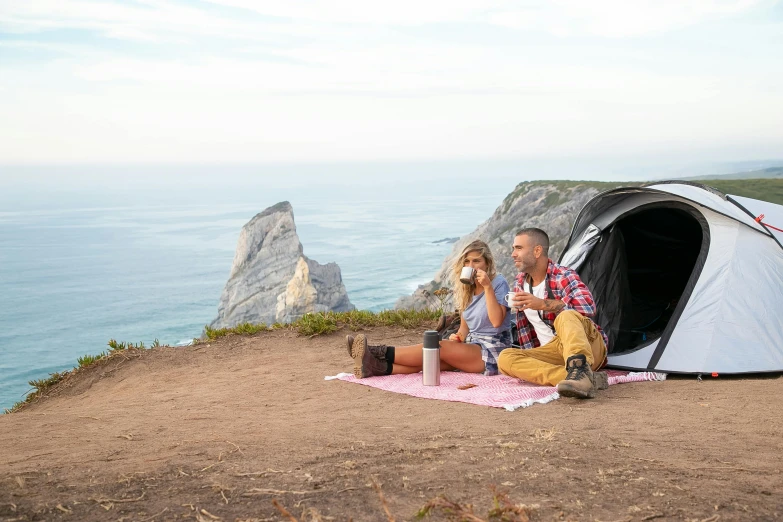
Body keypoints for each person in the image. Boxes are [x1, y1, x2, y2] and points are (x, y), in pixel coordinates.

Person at [347, 240, 512, 378]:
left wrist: (488, 287)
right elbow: (464, 330)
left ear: (487, 263)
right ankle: (376, 367)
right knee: (433, 362)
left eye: (476, 261)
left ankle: (375, 351)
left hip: (494, 351)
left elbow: (497, 321)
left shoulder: (498, 283)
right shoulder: (467, 290)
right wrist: (458, 337)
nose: (471, 265)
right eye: (467, 262)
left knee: (439, 347)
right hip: (473, 346)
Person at [497, 228, 609, 399]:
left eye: (518, 248)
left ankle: (580, 369)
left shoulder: (563, 275)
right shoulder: (521, 283)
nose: (513, 254)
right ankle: (579, 378)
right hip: (553, 351)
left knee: (567, 315)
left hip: (586, 345)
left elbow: (587, 307)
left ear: (537, 251)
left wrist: (542, 304)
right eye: (513, 248)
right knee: (505, 358)